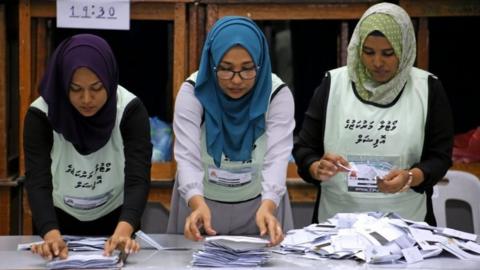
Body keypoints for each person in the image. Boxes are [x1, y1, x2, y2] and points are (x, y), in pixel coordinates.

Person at [293, 2, 453, 225]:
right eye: (368, 52)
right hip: (338, 225)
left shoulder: (427, 88)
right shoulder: (334, 84)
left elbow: (440, 157)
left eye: (388, 53)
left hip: (405, 224)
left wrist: (410, 177)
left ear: (404, 49)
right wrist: (316, 167)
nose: (377, 63)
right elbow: (304, 149)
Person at [167, 16, 295, 246]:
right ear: (211, 62)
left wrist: (268, 205)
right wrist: (196, 203)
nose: (236, 80)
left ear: (261, 63)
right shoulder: (193, 92)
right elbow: (187, 156)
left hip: (262, 202)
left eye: (247, 69)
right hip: (200, 201)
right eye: (225, 69)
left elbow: (277, 158)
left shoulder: (276, 94)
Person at [23, 34, 152, 260]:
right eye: (74, 89)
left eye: (96, 87)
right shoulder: (40, 115)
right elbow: (37, 180)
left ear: (109, 80)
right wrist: (50, 234)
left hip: (117, 218)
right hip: (58, 219)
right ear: (62, 84)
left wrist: (124, 230)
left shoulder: (130, 110)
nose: (86, 99)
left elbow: (137, 177)